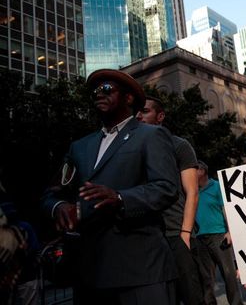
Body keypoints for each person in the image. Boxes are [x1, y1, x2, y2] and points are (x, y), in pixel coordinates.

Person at [42, 69, 180, 304]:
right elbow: (52, 193)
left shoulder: (151, 135)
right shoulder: (80, 146)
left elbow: (166, 187)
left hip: (140, 270)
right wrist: (59, 206)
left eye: (106, 89)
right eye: (95, 91)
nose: (98, 94)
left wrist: (120, 198)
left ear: (128, 98)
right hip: (89, 273)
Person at [136, 96, 202, 304]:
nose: (138, 116)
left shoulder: (179, 145)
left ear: (160, 116)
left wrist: (185, 233)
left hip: (176, 234)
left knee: (192, 296)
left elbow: (192, 192)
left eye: (145, 111)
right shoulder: (131, 147)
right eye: (137, 112)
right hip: (146, 237)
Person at [194, 161, 243, 305]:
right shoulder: (192, 190)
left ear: (202, 171)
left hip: (219, 236)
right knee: (206, 278)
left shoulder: (216, 187)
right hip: (200, 237)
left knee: (229, 276)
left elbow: (225, 209)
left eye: (194, 170)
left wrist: (229, 231)